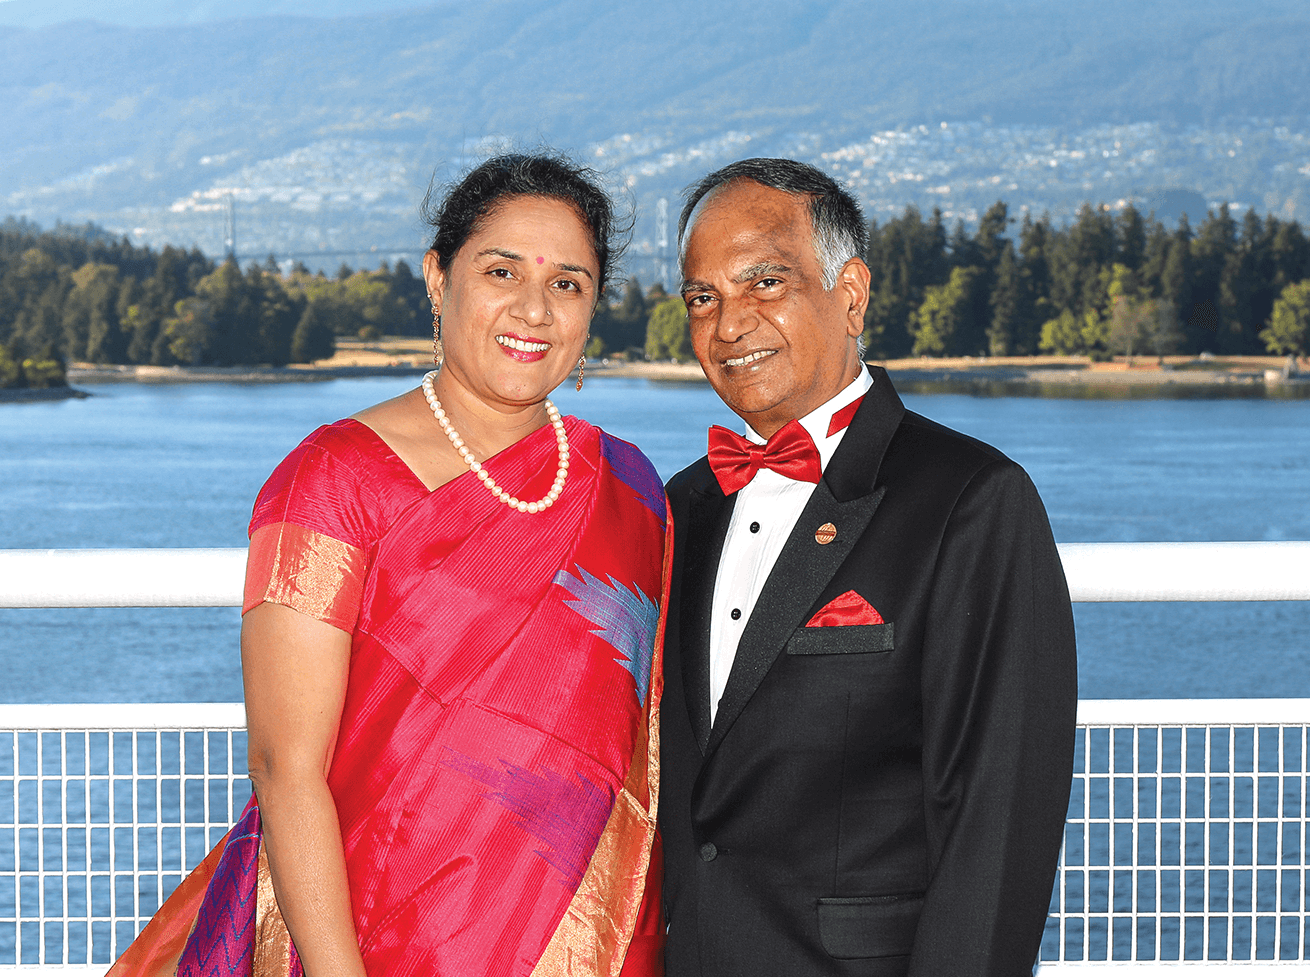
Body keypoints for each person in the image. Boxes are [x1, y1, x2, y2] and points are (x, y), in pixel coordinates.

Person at [109, 154, 668, 977]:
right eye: (501, 270)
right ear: (438, 279)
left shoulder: (631, 487)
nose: (532, 309)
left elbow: (645, 742)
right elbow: (284, 767)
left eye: (568, 284)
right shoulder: (333, 480)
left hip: (583, 938)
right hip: (371, 935)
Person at [659, 158, 1076, 976]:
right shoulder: (684, 504)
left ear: (850, 294)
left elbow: (997, 821)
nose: (729, 325)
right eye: (703, 298)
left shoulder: (972, 500)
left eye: (765, 283)